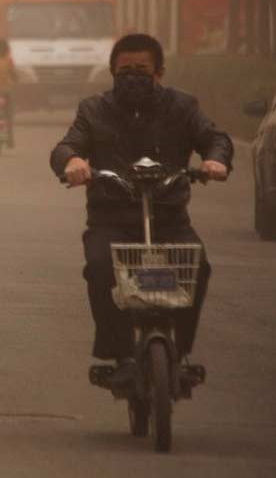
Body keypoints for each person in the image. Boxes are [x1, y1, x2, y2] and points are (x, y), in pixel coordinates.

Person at [50, 33, 232, 386]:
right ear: (112, 72)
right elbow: (67, 146)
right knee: (101, 267)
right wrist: (72, 161)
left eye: (142, 69)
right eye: (125, 70)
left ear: (159, 73)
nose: (133, 76)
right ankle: (119, 355)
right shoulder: (94, 109)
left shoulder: (183, 107)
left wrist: (214, 160)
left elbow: (215, 138)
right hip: (111, 220)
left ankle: (178, 352)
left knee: (198, 265)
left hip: (169, 218)